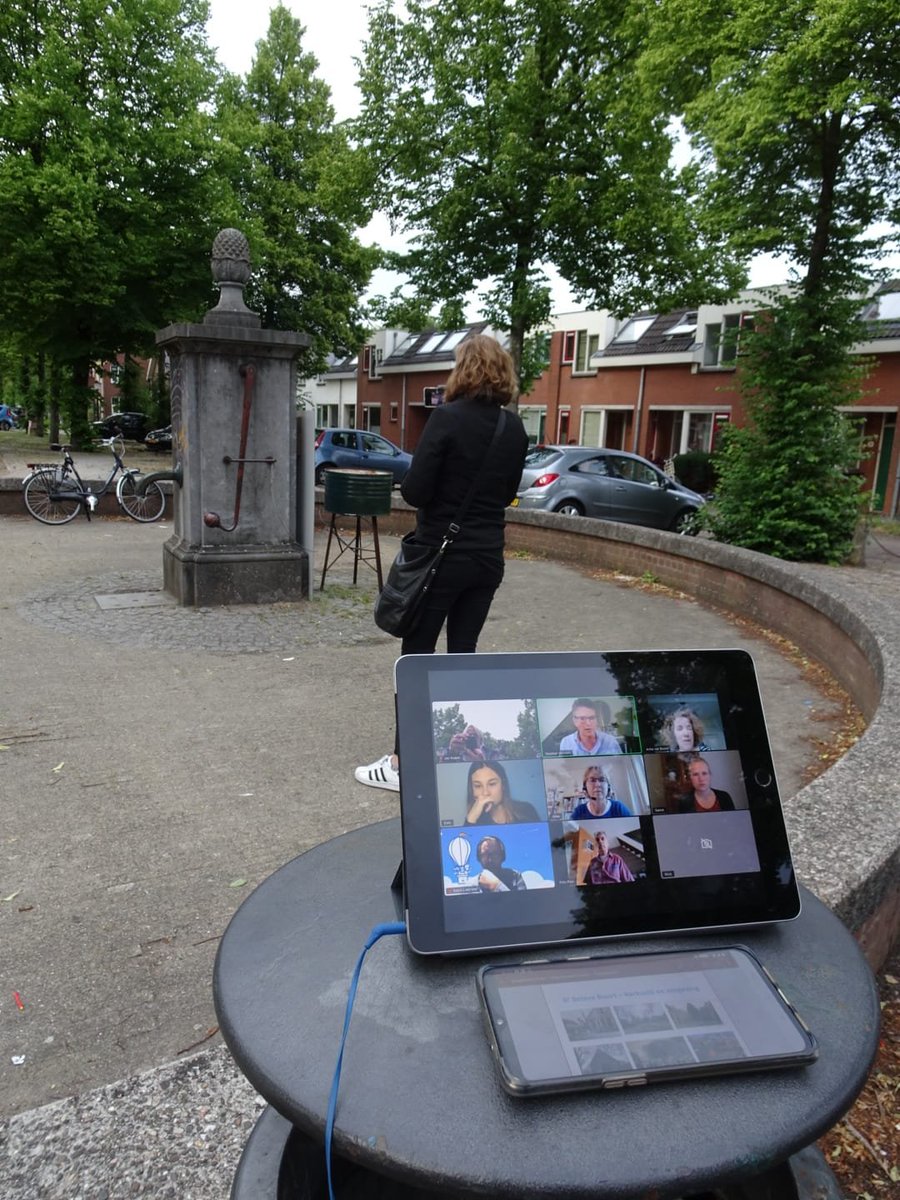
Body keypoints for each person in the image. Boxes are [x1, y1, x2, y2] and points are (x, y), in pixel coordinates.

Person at [355, 335, 529, 792]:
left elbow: (414, 491)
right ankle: (458, 759)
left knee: (416, 658)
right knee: (463, 656)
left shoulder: (446, 419)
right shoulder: (514, 429)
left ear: (463, 370)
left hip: (440, 556)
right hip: (487, 557)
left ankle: (401, 762)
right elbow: (506, 491)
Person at [464, 761, 541, 825]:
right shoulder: (474, 820)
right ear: (472, 790)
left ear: (503, 785)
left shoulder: (526, 810)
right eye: (478, 786)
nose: (485, 792)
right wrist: (471, 819)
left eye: (492, 784)